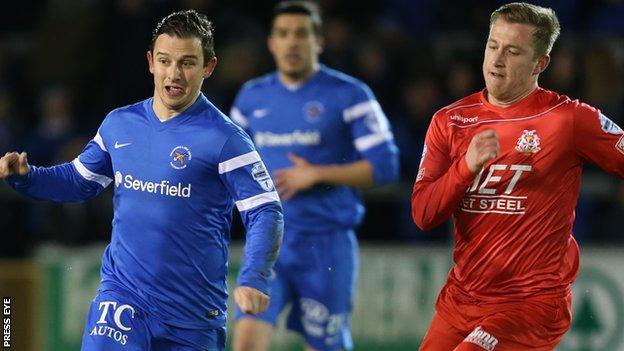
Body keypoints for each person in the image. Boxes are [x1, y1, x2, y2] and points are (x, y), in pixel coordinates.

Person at [0, 10, 283, 351]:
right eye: (165, 61)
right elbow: (79, 180)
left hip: (192, 319)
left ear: (208, 67)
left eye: (187, 63)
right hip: (123, 299)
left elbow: (266, 211)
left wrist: (254, 277)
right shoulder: (120, 124)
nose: (174, 74)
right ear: (151, 62)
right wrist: (28, 177)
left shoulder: (226, 140)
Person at [412, 3, 624, 351]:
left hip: (531, 304)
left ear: (540, 64)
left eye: (513, 52)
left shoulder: (569, 119)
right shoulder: (449, 121)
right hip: (461, 300)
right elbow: (423, 215)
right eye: (493, 46)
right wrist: (466, 167)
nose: (497, 60)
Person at [229, 2, 399, 351]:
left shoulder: (350, 95)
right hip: (268, 244)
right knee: (245, 342)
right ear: (271, 43)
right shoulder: (250, 98)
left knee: (324, 345)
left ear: (319, 41)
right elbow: (228, 165)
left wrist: (318, 174)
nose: (292, 43)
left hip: (326, 244)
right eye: (283, 34)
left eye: (302, 34)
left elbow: (385, 166)